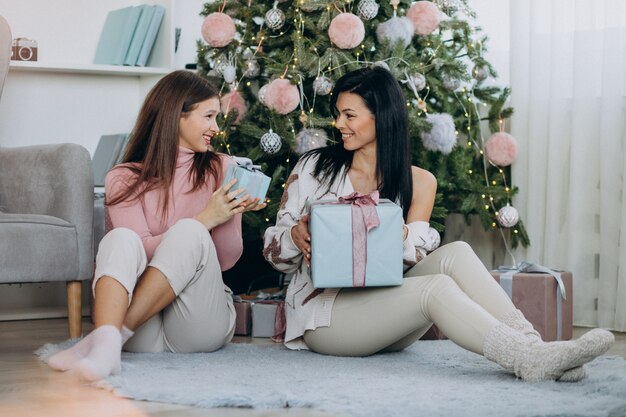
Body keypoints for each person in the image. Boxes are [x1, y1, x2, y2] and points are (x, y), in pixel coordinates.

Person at [263, 66, 614, 382]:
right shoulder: (314, 168)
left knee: (457, 253)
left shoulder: (418, 181)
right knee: (435, 289)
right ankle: (530, 358)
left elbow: (411, 258)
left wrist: (390, 235)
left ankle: (536, 350)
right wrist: (295, 235)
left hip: (386, 310)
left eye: (349, 115)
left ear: (381, 118)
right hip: (325, 318)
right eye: (338, 114)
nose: (339, 124)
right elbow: (274, 254)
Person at [48, 70, 265, 381]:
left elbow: (226, 259)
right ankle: (109, 341)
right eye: (209, 116)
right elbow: (138, 246)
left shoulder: (224, 168)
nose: (216, 128)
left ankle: (105, 341)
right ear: (177, 115)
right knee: (120, 237)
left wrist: (230, 212)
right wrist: (205, 218)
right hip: (143, 332)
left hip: (198, 326)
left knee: (190, 231)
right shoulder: (123, 177)